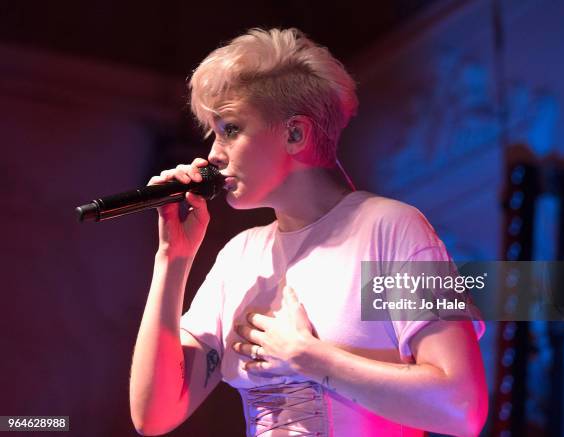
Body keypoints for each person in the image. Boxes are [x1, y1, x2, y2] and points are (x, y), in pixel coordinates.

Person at [129, 28, 488, 437]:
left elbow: (462, 409)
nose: (213, 153)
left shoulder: (388, 229)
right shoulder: (240, 256)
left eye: (230, 129)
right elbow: (153, 416)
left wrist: (308, 358)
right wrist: (172, 259)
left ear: (295, 134)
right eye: (213, 132)